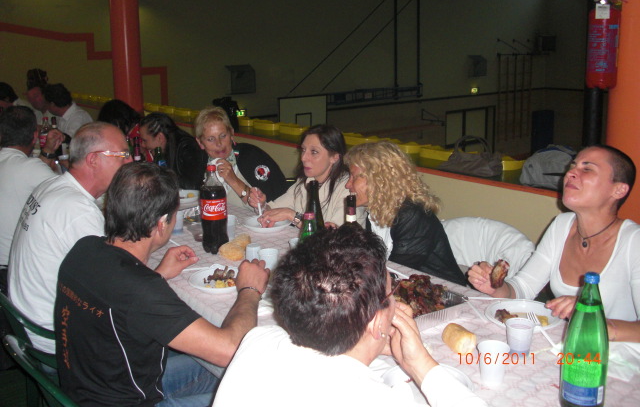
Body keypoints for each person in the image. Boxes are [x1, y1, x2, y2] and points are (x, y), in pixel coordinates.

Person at [54, 163, 269, 406]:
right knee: (255, 388)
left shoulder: (84, 248)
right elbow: (229, 350)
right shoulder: (141, 290)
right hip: (128, 401)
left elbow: (121, 300)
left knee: (226, 374)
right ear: (161, 223)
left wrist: (158, 275)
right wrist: (249, 290)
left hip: (86, 390)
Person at [213, 225, 485, 407]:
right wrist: (420, 365)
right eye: (391, 293)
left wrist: (372, 341)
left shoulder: (258, 340)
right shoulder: (380, 399)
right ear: (376, 321)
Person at [468, 144, 640, 343]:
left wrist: (591, 318)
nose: (570, 173)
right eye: (572, 166)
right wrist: (494, 287)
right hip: (569, 347)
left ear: (618, 190)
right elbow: (523, 288)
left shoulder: (633, 242)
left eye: (587, 169)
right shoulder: (561, 225)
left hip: (618, 357)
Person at [8, 122, 131, 354]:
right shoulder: (77, 210)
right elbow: (117, 292)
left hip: (30, 322)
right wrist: (161, 270)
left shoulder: (52, 185)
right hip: (57, 339)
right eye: (122, 155)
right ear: (93, 160)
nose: (130, 162)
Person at [344, 141, 467, 286]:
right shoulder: (375, 212)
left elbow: (396, 273)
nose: (347, 184)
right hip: (409, 290)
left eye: (354, 177)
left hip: (443, 292)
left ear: (379, 179)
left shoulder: (412, 215)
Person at [0, 106, 64, 292]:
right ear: (34, 136)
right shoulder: (30, 168)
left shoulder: (23, 167)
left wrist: (48, 151)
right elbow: (68, 196)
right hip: (12, 270)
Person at [248, 124, 361, 228]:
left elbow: (333, 235)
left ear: (334, 157)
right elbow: (275, 210)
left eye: (314, 152)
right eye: (303, 150)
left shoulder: (349, 189)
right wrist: (261, 205)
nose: (303, 158)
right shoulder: (306, 181)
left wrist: (293, 216)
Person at [194, 107, 289, 208]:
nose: (219, 143)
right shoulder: (201, 165)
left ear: (231, 134)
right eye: (211, 139)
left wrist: (233, 180)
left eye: (223, 136)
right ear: (200, 143)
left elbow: (271, 208)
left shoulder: (251, 157)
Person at [139, 112, 207, 189]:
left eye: (144, 140)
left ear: (160, 138)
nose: (143, 145)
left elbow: (192, 185)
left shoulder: (188, 148)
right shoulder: (166, 147)